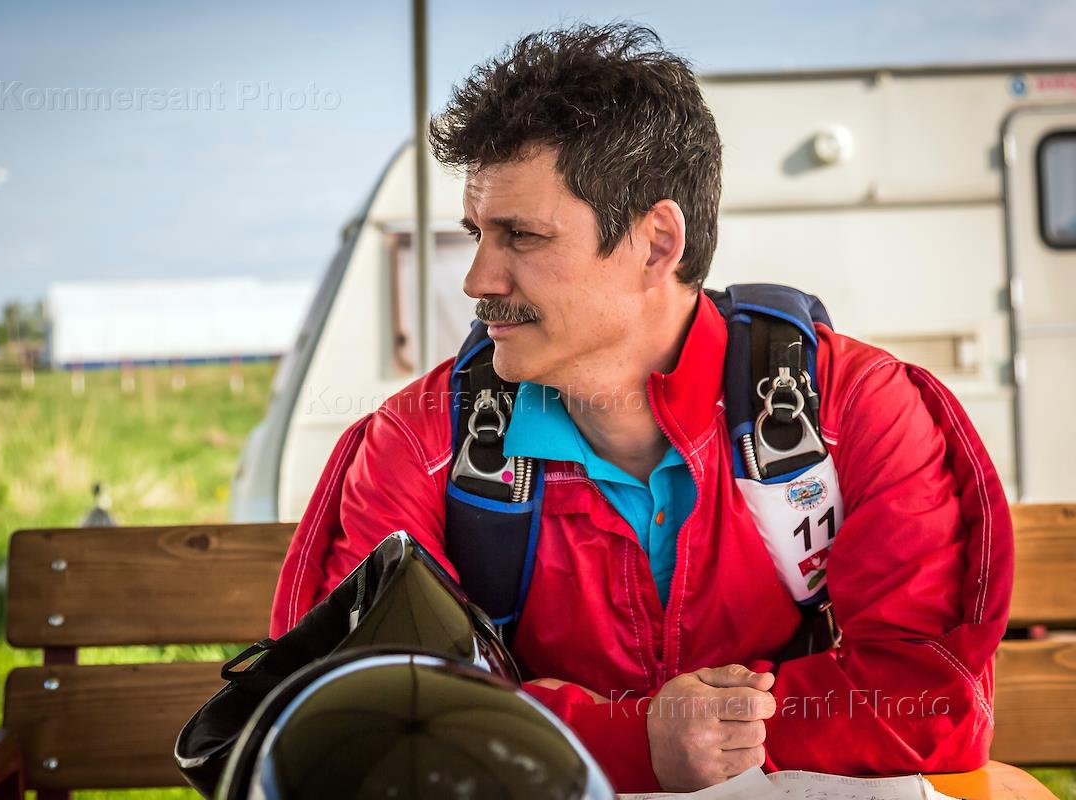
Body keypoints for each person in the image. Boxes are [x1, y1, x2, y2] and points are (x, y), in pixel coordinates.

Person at [269, 23, 1011, 793]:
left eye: (521, 236)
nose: (478, 279)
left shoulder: (857, 408)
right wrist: (637, 740)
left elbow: (935, 702)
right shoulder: (418, 439)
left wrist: (687, 735)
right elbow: (351, 718)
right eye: (477, 234)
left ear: (657, 243)